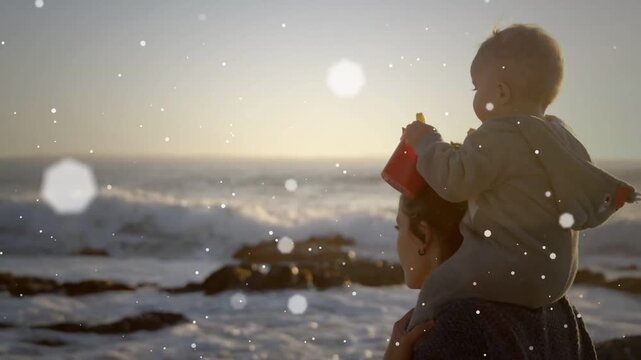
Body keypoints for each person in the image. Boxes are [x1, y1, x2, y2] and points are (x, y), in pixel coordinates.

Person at [401, 23, 639, 331]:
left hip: (508, 269)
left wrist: (427, 141)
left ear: (500, 92)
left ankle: (417, 344)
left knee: (436, 288)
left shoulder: (501, 134)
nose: (474, 97)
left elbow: (454, 180)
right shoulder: (560, 136)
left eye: (476, 88)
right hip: (554, 279)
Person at [383, 185, 598, 359]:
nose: (397, 240)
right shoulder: (558, 308)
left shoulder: (455, 329)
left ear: (423, 234)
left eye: (398, 227)